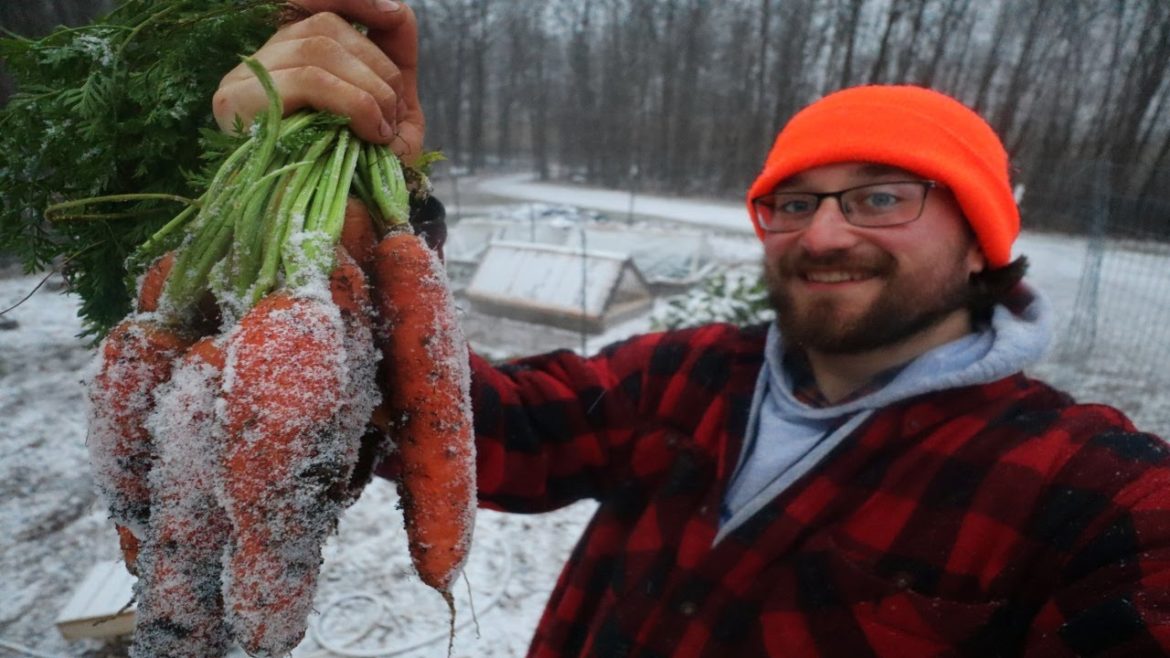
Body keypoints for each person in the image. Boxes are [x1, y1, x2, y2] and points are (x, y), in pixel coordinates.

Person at [216, 2, 1170, 655]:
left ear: (981, 242)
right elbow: (479, 427)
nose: (824, 232)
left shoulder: (1089, 496)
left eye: (882, 196)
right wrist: (365, 192)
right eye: (791, 202)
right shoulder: (690, 374)